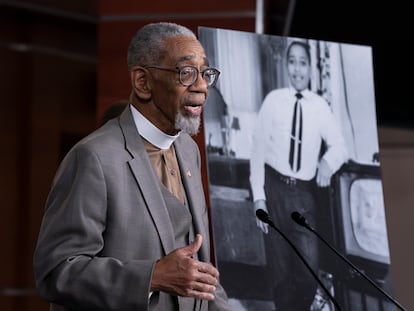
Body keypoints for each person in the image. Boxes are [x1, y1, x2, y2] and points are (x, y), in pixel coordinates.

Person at [33, 22, 234, 311]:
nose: (202, 86)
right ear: (143, 82)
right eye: (186, 72)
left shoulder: (189, 150)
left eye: (205, 73)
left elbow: (199, 274)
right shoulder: (94, 157)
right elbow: (56, 272)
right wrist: (152, 277)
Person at [249, 40, 348, 310]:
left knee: (308, 271)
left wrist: (327, 164)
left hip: (303, 195)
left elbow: (340, 146)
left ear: (310, 69)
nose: (297, 69)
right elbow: (257, 150)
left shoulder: (320, 107)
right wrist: (259, 198)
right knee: (280, 275)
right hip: (274, 190)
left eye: (302, 62)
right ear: (286, 65)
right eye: (292, 61)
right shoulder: (273, 101)